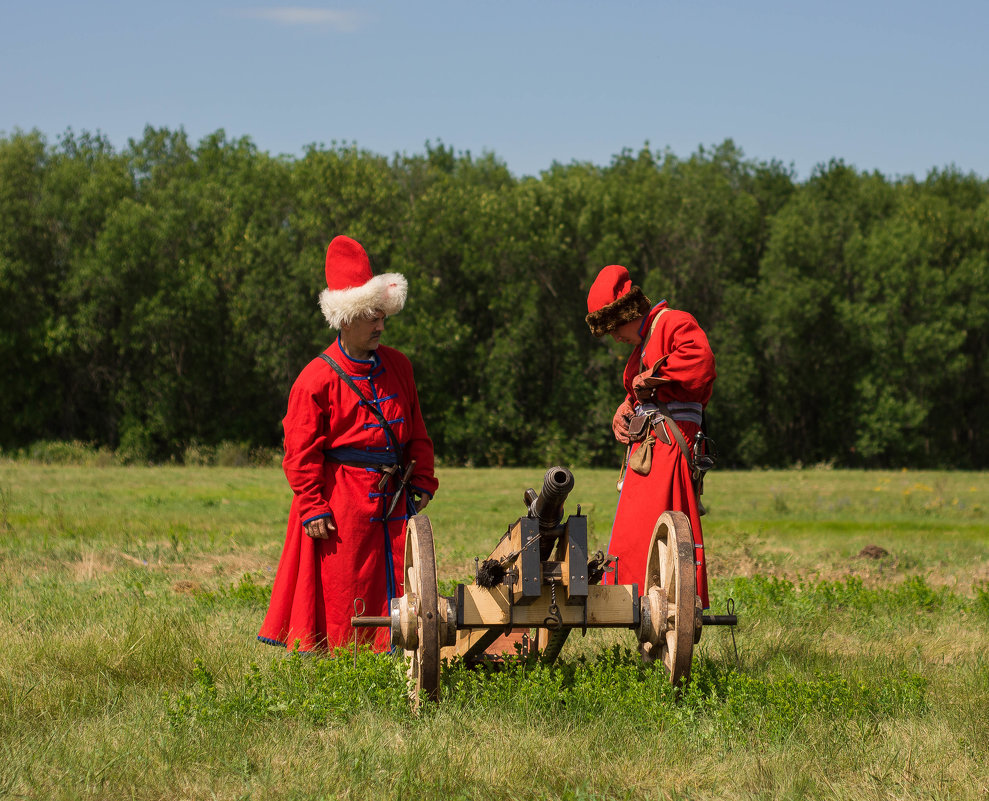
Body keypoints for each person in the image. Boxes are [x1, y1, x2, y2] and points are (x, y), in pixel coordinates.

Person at [258, 235, 439, 653]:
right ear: (345, 319)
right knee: (346, 582)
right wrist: (313, 504)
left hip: (394, 496)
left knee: (399, 578)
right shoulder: (314, 379)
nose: (379, 325)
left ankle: (395, 651)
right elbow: (299, 452)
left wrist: (422, 480)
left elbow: (416, 431)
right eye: (369, 317)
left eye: (382, 316)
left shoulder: (399, 366)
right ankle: (344, 661)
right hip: (342, 498)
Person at [585, 264, 716, 609]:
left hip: (670, 445)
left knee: (659, 525)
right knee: (634, 531)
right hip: (651, 448)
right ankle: (630, 603)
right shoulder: (644, 342)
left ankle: (663, 604)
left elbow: (700, 360)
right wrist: (625, 406)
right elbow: (640, 388)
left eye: (614, 327)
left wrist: (655, 377)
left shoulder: (672, 321)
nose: (614, 337)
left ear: (630, 312)